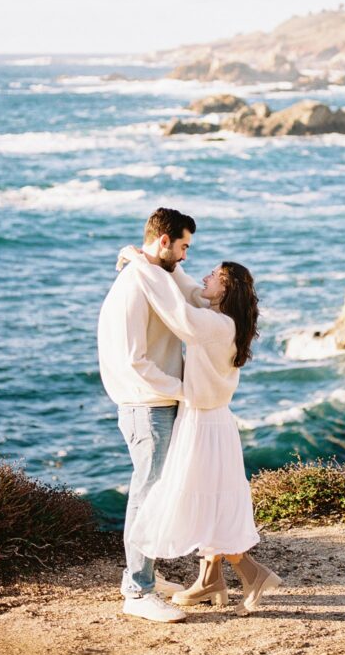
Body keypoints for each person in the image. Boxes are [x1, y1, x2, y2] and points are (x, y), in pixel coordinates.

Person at [118, 249, 282, 616]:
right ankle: (211, 579)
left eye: (214, 275)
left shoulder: (214, 325)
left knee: (205, 502)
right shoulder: (223, 320)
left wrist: (144, 268)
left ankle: (253, 574)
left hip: (204, 423)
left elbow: (176, 312)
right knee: (211, 499)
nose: (206, 277)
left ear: (226, 288)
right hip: (212, 421)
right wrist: (167, 266)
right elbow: (189, 289)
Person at [97, 207, 206, 624]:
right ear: (164, 241)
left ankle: (146, 575)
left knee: (156, 492)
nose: (185, 256)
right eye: (182, 246)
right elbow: (134, 361)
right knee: (145, 494)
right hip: (146, 405)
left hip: (158, 403)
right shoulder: (134, 286)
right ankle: (137, 590)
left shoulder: (154, 274)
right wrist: (186, 391)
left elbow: (193, 290)